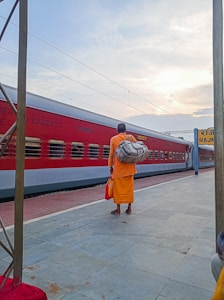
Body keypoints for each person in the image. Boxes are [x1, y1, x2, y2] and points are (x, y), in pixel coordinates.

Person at [108, 123, 137, 215]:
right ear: (125, 130)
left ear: (117, 130)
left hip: (118, 170)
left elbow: (111, 154)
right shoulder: (131, 138)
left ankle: (118, 209)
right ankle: (129, 208)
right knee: (129, 189)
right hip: (130, 169)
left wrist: (110, 166)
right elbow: (136, 150)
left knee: (118, 190)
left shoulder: (113, 139)